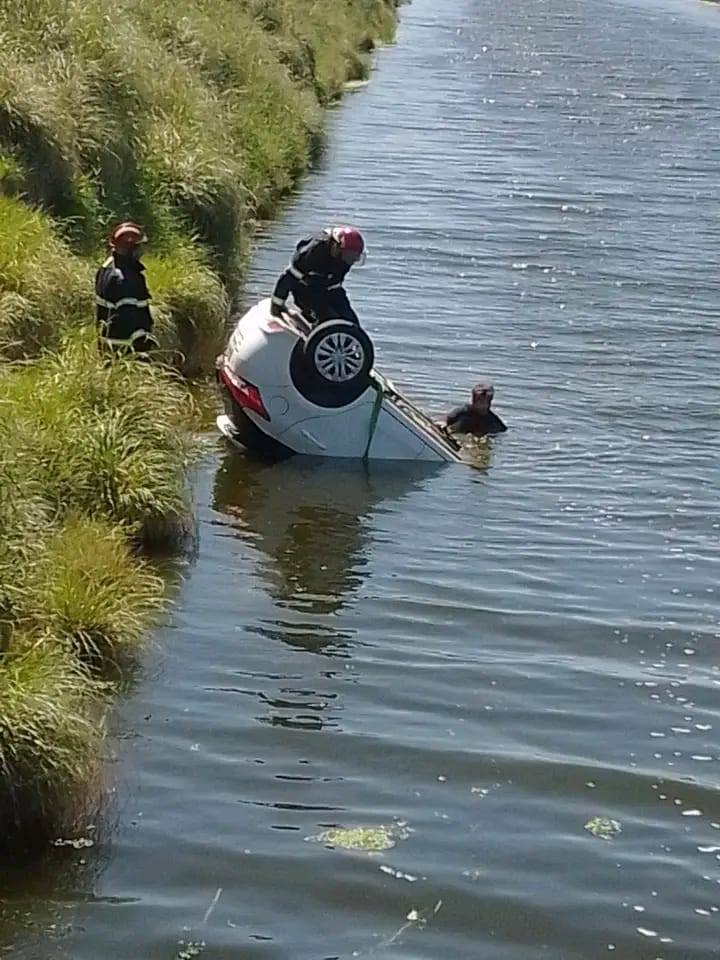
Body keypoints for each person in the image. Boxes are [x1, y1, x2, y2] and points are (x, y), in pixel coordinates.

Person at [269, 225, 366, 325]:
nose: (350, 261)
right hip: (305, 289)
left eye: (354, 257)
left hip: (329, 287)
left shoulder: (346, 259)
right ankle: (313, 321)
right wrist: (277, 304)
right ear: (335, 246)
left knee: (351, 322)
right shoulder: (311, 254)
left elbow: (336, 286)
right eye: (348, 256)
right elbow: (288, 278)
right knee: (327, 319)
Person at [95, 221, 157, 355]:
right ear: (130, 248)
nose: (142, 251)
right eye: (139, 247)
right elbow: (128, 318)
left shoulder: (106, 267)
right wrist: (143, 342)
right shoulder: (126, 280)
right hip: (126, 349)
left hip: (108, 346)